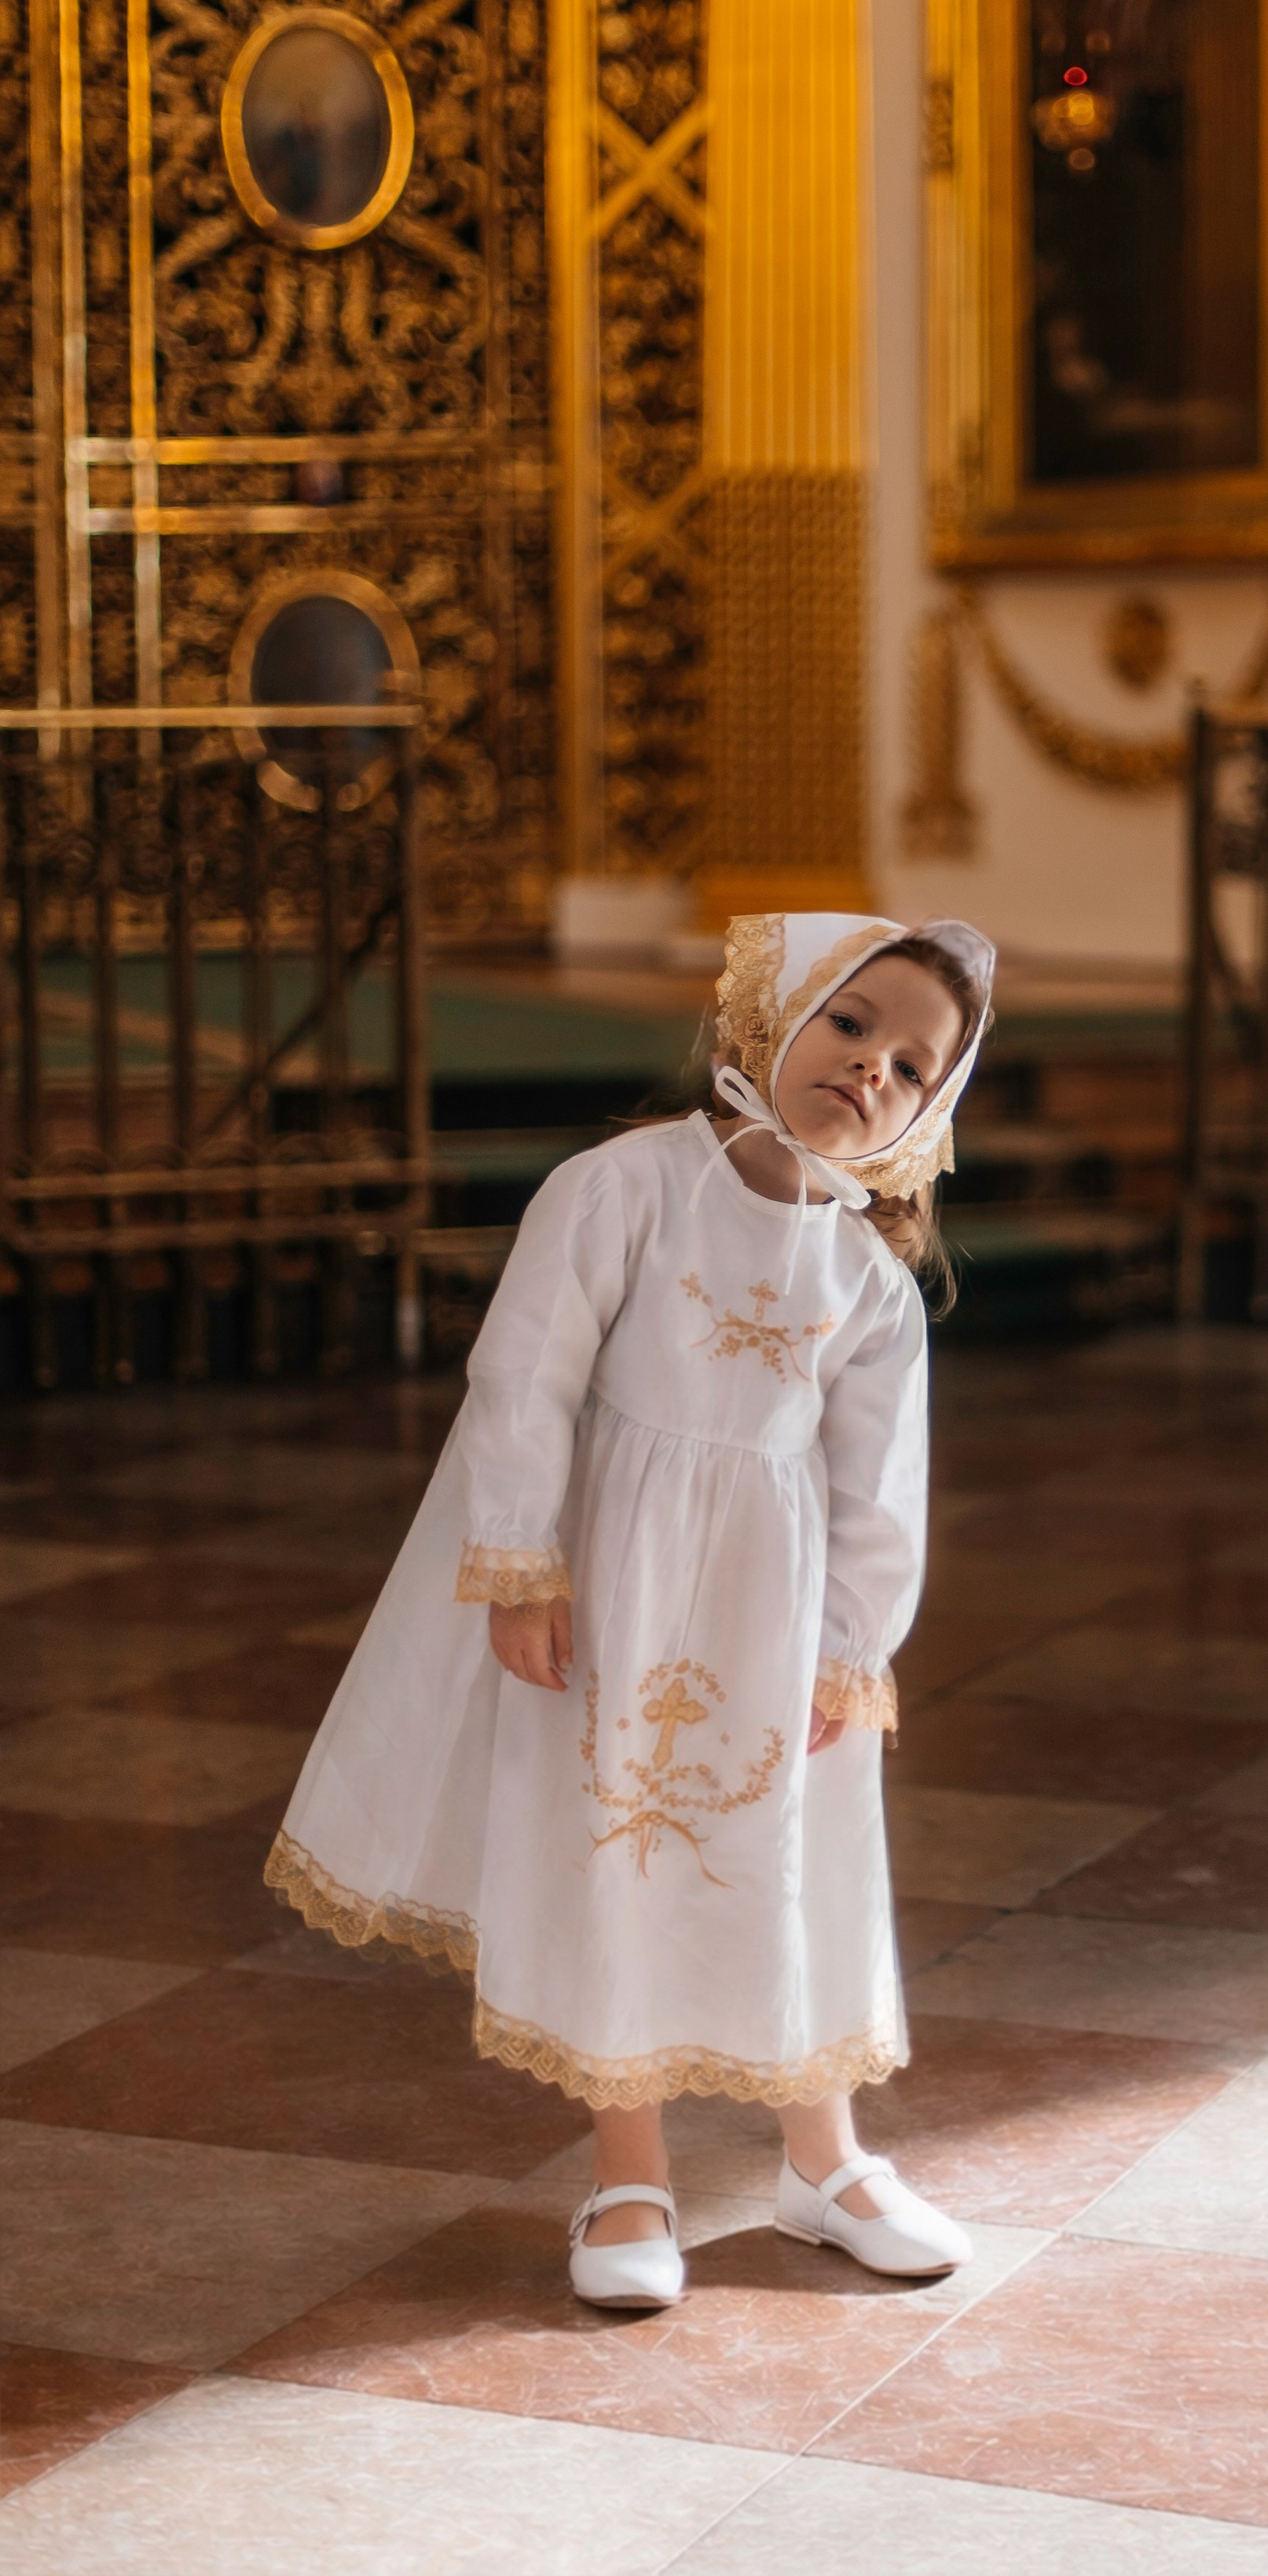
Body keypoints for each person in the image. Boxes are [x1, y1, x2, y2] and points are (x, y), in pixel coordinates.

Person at [266, 912, 995, 2309]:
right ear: (766, 1015)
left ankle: (823, 2159)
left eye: (912, 1067)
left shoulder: (867, 1283)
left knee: (791, 1852)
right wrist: (522, 1563)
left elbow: (876, 1493)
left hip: (769, 1614)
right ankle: (631, 2170)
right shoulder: (622, 1190)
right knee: (615, 1846)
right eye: (851, 1025)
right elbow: (524, 1381)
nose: (870, 1072)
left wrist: (852, 1653)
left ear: (931, 1112)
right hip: (611, 1590)